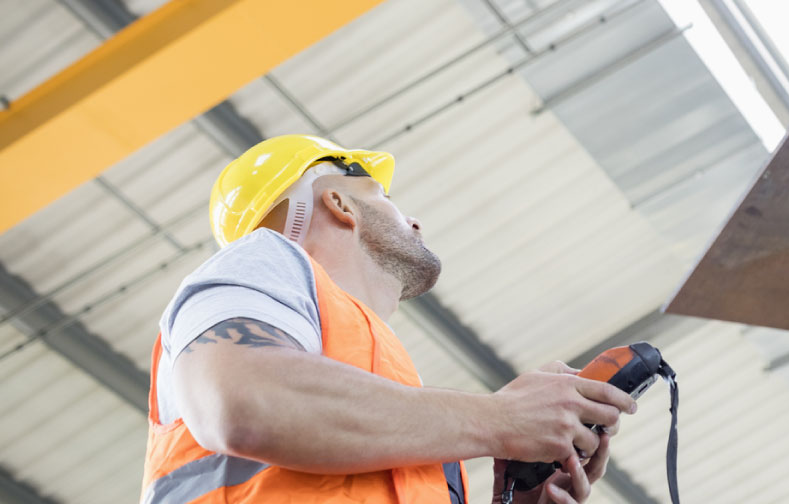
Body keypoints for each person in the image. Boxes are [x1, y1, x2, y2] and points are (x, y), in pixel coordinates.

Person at [142, 134, 635, 504]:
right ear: (337, 201)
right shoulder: (262, 261)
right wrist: (503, 418)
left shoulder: (391, 402)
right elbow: (242, 403)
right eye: (386, 198)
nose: (414, 222)